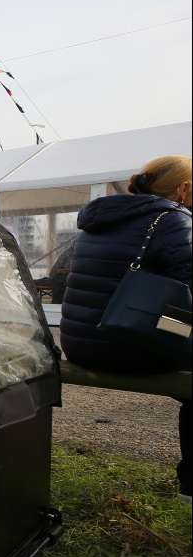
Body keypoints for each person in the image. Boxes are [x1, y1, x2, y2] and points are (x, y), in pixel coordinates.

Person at [60, 155, 191, 502]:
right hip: (123, 343)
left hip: (79, 342)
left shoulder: (98, 219)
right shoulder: (173, 220)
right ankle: (191, 488)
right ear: (184, 189)